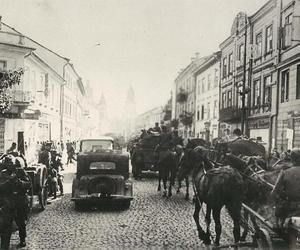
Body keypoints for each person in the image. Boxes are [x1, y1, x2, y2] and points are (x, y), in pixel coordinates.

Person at [0, 154, 31, 249]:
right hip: (8, 203)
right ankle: (5, 246)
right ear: (5, 165)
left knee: (21, 222)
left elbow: (28, 184)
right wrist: (9, 182)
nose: (10, 166)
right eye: (8, 164)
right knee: (6, 225)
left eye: (11, 164)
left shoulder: (20, 172)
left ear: (14, 164)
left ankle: (22, 239)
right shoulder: (2, 174)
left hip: (20, 200)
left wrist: (19, 183)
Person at [271, 148, 300, 227]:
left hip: (290, 206)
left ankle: (279, 226)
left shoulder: (285, 172)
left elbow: (275, 191)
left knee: (278, 208)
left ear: (291, 159)